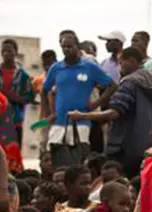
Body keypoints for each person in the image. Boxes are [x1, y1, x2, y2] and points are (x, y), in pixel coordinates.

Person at [67, 47, 152, 178]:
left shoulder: (129, 83)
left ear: (132, 61)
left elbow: (114, 113)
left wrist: (81, 116)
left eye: (122, 63)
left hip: (126, 148)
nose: (120, 67)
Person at [42, 31, 116, 167]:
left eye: (70, 46)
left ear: (77, 46)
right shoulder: (56, 68)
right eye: (64, 47)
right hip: (60, 124)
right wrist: (49, 113)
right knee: (56, 161)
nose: (66, 50)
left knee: (79, 162)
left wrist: (95, 104)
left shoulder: (89, 67)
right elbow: (45, 90)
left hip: (82, 122)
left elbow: (112, 85)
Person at [0, 38, 34, 172]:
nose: (6, 54)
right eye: (3, 51)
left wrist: (9, 96)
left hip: (14, 121)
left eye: (9, 50)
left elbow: (29, 98)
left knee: (13, 155)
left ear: (16, 52)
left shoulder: (23, 76)